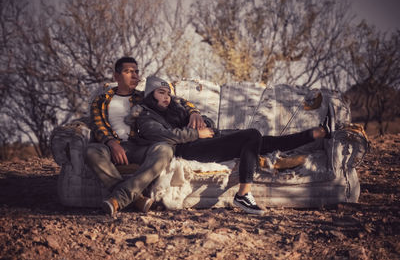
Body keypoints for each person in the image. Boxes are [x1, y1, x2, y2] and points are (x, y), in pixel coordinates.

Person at [133, 76, 331, 215]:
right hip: (190, 149)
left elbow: (207, 122)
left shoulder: (175, 106)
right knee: (252, 135)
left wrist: (200, 119)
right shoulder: (146, 115)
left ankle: (315, 133)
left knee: (262, 140)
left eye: (168, 92)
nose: (167, 96)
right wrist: (196, 133)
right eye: (162, 92)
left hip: (207, 138)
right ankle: (243, 194)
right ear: (151, 95)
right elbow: (164, 135)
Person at [85, 57, 206, 216]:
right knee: (91, 151)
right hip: (112, 147)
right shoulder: (101, 100)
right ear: (116, 76)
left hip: (140, 146)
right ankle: (137, 199)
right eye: (128, 72)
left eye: (136, 72)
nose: (134, 76)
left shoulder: (143, 97)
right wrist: (112, 143)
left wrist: (194, 112)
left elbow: (177, 101)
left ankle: (121, 197)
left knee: (165, 149)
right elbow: (97, 125)